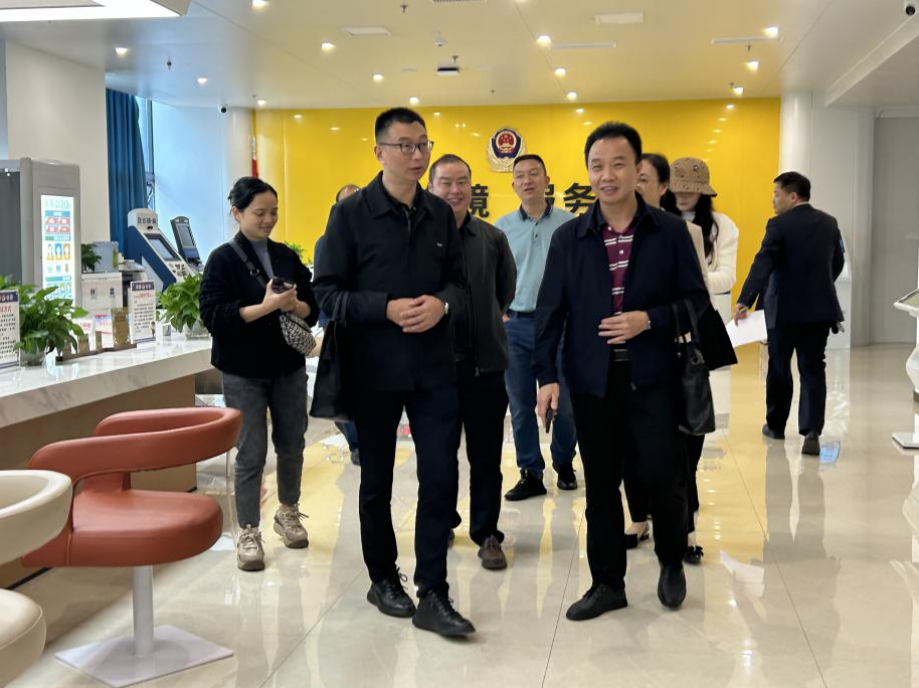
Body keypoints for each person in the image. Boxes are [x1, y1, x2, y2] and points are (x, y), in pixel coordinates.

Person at [535, 122, 708, 620]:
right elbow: (550, 312)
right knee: (601, 485)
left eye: (618, 164)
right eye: (597, 166)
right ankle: (607, 583)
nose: (606, 175)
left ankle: (670, 561)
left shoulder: (668, 232)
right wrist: (547, 376)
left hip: (654, 378)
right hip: (593, 382)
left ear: (638, 170)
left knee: (662, 476)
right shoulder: (570, 237)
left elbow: (696, 302)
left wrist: (648, 320)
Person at [313, 107, 475, 637]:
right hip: (373, 369)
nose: (416, 154)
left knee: (441, 475)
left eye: (423, 144)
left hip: (433, 368)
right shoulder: (350, 215)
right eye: (405, 145)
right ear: (379, 151)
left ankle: (434, 592)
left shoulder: (438, 214)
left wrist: (442, 305)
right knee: (376, 480)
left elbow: (460, 286)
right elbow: (326, 293)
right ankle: (382, 578)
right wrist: (383, 307)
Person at [200, 176, 319, 572]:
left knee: (292, 443)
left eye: (274, 212)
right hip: (243, 371)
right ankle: (249, 530)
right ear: (237, 213)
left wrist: (294, 306)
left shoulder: (285, 256)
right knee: (250, 453)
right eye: (259, 213)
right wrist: (267, 307)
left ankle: (289, 511)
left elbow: (313, 307)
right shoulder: (222, 260)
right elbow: (214, 317)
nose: (268, 220)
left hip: (287, 366)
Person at [428, 153, 517, 570]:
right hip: (435, 368)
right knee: (439, 455)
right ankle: (443, 522)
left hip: (485, 366)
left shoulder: (492, 238)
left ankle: (487, 533)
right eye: (445, 183)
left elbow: (505, 292)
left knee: (486, 457)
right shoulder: (420, 240)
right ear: (431, 188)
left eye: (462, 181)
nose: (455, 190)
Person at [633, 153, 713, 565]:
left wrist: (656, 319)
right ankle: (637, 518)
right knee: (631, 446)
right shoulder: (606, 232)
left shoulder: (684, 231)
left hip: (676, 348)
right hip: (626, 353)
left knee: (681, 445)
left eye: (642, 177)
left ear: (661, 187)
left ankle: (686, 529)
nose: (633, 184)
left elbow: (697, 295)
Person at [733, 172, 845, 457]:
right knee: (813, 368)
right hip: (820, 311)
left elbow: (763, 263)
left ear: (792, 196)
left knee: (779, 367)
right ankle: (812, 431)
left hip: (783, 310)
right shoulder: (829, 223)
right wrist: (821, 286)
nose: (773, 199)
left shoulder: (778, 225)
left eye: (777, 194)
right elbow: (837, 262)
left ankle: (776, 426)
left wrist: (745, 299)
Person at [494, 154, 578, 500]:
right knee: (520, 403)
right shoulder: (501, 227)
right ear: (513, 184)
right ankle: (530, 471)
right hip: (517, 325)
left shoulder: (569, 224)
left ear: (547, 179)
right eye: (520, 175)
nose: (527, 180)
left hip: (562, 327)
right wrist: (498, 310)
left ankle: (564, 461)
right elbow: (490, 275)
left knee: (567, 402)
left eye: (534, 173)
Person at [314, 183, 361, 465]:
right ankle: (356, 443)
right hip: (339, 324)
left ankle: (365, 442)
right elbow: (322, 287)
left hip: (371, 325)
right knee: (340, 391)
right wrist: (326, 324)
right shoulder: (326, 242)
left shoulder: (378, 239)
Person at [669, 157, 739, 322]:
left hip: (702, 313)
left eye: (690, 191)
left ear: (702, 192)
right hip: (664, 315)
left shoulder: (722, 224)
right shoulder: (658, 222)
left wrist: (683, 281)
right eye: (677, 190)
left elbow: (727, 278)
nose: (682, 196)